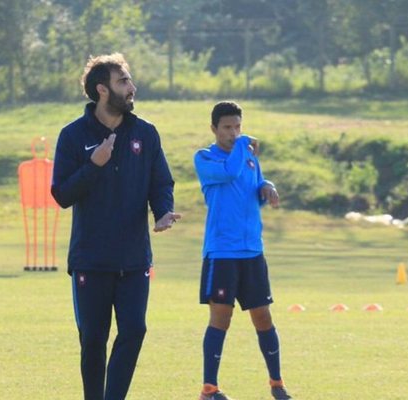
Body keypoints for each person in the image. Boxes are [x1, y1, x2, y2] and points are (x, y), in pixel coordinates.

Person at [50, 53, 180, 400]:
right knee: (93, 339)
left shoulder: (145, 133)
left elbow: (161, 183)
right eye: (124, 81)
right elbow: (61, 195)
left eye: (130, 80)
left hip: (135, 259)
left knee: (135, 330)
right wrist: (94, 165)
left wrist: (163, 211)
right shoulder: (73, 136)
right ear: (102, 90)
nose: (132, 87)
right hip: (90, 261)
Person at [193, 101, 292, 400]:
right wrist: (244, 144)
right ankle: (209, 389)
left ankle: (277, 384)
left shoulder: (248, 158)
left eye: (238, 126)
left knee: (263, 317)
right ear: (214, 129)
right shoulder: (206, 158)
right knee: (221, 319)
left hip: (252, 251)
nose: (234, 133)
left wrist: (267, 187)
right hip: (222, 253)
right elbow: (229, 173)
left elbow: (252, 187)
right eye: (227, 127)